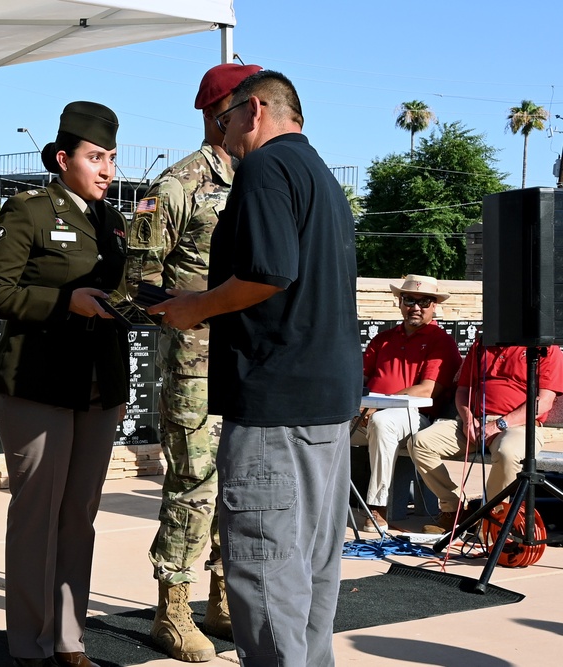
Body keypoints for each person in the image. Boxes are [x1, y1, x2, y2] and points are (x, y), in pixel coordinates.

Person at [148, 70, 361, 667]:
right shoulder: (320, 173)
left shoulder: (265, 169)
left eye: (225, 119)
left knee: (265, 572)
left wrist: (192, 307)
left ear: (256, 110)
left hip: (275, 404)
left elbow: (269, 272)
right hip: (325, 402)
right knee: (312, 570)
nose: (222, 133)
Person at [0, 102, 128, 667]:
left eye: (111, 157)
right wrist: (67, 303)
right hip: (38, 380)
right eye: (95, 157)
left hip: (98, 384)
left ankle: (68, 639)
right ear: (64, 159)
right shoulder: (29, 210)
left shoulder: (113, 221)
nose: (106, 168)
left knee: (78, 515)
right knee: (38, 514)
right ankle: (30, 646)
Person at [126, 62, 259, 662]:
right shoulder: (179, 185)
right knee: (194, 485)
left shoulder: (263, 177)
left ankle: (223, 598)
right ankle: (171, 611)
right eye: (244, 104)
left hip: (251, 364)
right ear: (216, 114)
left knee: (242, 485)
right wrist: (188, 321)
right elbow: (140, 283)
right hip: (195, 367)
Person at [409, 341, 563, 532]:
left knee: (508, 453)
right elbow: (463, 390)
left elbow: (544, 401)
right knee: (420, 443)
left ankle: (491, 519)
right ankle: (456, 510)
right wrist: (467, 420)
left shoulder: (545, 349)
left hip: (518, 425)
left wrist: (500, 424)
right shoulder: (482, 345)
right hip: (475, 422)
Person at [352, 274, 462, 531]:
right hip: (364, 411)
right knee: (320, 422)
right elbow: (360, 378)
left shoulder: (441, 341)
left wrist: (378, 405)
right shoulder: (383, 338)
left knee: (382, 422)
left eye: (424, 301)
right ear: (399, 302)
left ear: (434, 306)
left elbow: (426, 391)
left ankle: (377, 507)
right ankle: (318, 500)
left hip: (413, 417)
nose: (416, 307)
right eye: (409, 299)